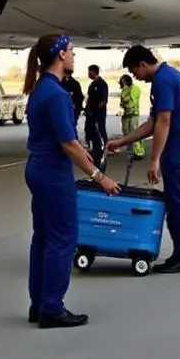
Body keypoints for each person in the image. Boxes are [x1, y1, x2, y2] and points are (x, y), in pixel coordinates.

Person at [23, 34, 120, 328]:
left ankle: (39, 304)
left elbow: (64, 140)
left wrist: (81, 150)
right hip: (53, 174)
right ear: (60, 55)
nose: (74, 56)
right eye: (71, 51)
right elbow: (67, 143)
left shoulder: (43, 89)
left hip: (38, 169)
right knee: (62, 238)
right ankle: (52, 307)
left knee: (42, 238)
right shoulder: (56, 94)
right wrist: (98, 177)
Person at [107, 46, 180, 273]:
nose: (135, 77)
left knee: (176, 200)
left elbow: (164, 122)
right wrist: (122, 141)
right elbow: (153, 123)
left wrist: (154, 159)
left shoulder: (163, 81)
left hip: (178, 146)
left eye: (134, 71)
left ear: (142, 64)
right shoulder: (170, 75)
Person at [84, 65, 109, 167]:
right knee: (89, 129)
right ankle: (93, 147)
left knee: (100, 129)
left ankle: (105, 147)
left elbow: (103, 100)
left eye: (90, 72)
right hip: (90, 113)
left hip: (98, 113)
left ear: (94, 72)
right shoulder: (92, 84)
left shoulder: (101, 84)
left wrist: (96, 110)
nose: (88, 74)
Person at [117, 74, 145, 160]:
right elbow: (122, 102)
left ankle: (139, 152)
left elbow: (131, 101)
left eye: (123, 81)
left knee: (135, 132)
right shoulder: (124, 90)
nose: (122, 83)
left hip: (133, 114)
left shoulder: (134, 89)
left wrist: (125, 101)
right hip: (126, 114)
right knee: (126, 132)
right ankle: (131, 150)